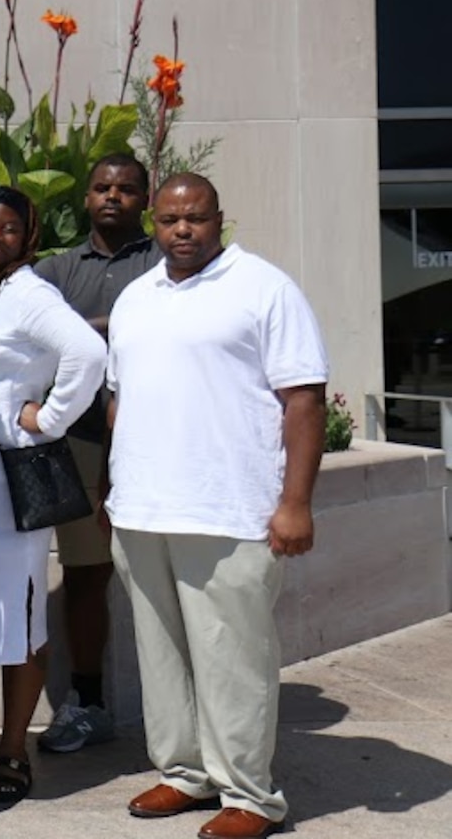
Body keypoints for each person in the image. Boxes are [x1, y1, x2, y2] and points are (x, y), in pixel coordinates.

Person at [107, 174, 327, 839]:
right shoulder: (134, 297)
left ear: (218, 219)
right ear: (152, 222)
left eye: (195, 219)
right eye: (170, 219)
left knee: (233, 658)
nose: (181, 231)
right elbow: (120, 398)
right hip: (143, 510)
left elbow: (304, 400)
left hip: (229, 510)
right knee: (162, 654)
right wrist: (115, 491)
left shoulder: (263, 288)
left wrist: (294, 502)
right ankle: (185, 773)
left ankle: (251, 795)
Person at [0, 185, 106, 803]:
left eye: (9, 227)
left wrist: (50, 417)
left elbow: (88, 351)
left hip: (13, 492)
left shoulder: (28, 292)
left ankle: (12, 749)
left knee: (21, 618)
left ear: (25, 237)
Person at [33, 154, 162, 753]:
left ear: (146, 198)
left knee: (165, 579)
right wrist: (106, 327)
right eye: (103, 188)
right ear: (85, 197)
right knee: (86, 578)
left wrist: (84, 329)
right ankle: (88, 702)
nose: (114, 197)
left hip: (157, 446)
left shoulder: (168, 262)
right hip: (80, 446)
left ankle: (179, 709)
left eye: (127, 189)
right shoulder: (55, 270)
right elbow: (38, 340)